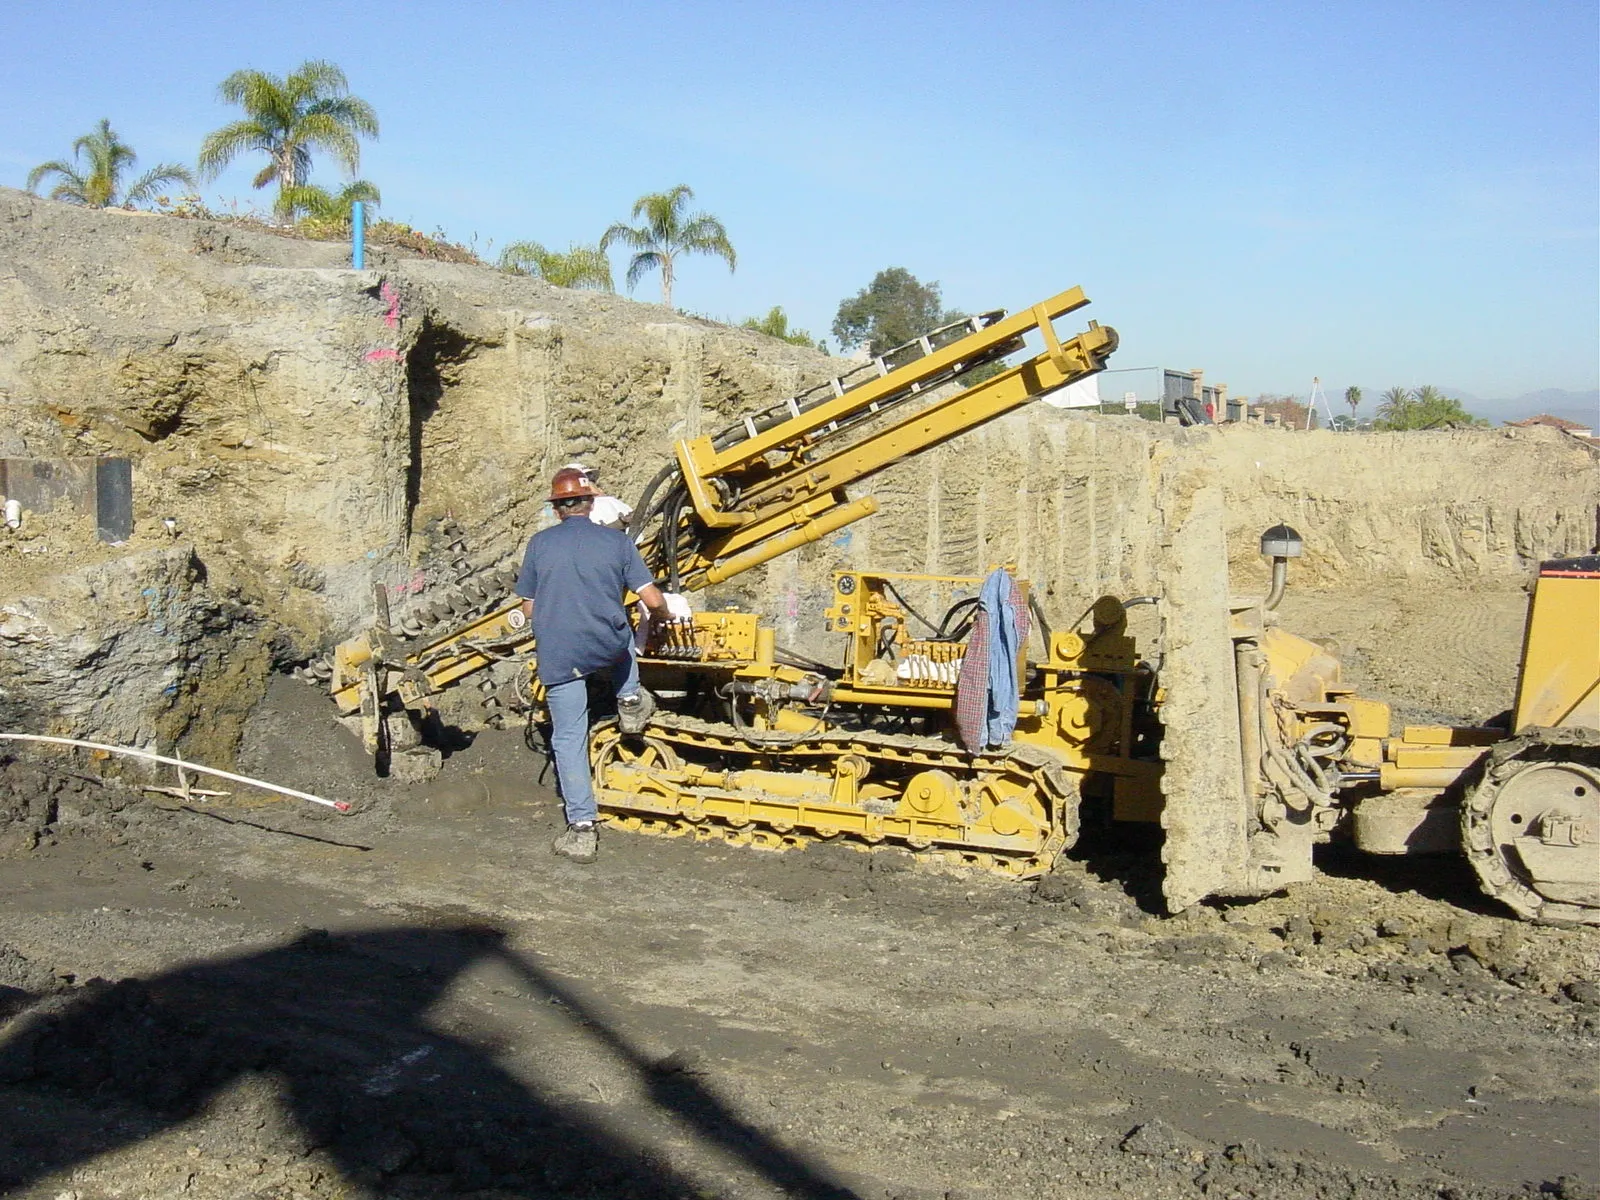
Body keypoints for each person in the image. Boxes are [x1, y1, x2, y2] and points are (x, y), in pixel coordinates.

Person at [516, 467, 669, 863]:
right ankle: (630, 700)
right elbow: (652, 600)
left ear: (557, 509)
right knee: (622, 635)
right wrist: (663, 615)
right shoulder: (617, 542)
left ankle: (582, 829)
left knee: (569, 738)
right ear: (590, 503)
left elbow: (528, 608)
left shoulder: (539, 544)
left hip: (560, 653)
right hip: (607, 646)